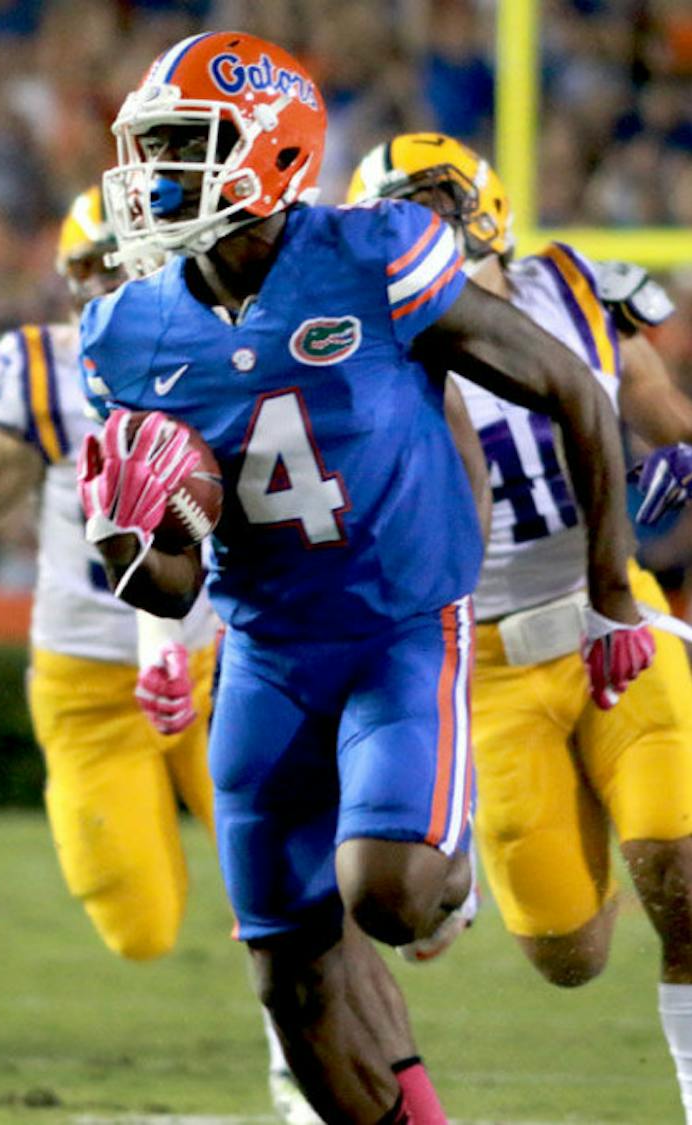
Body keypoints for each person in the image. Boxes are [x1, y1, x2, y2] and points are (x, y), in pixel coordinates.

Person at [77, 32, 651, 1124]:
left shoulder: (377, 253)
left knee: (386, 895)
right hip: (267, 654)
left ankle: (450, 849)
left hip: (401, 627)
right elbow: (171, 585)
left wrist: (614, 590)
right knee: (288, 974)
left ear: (274, 154)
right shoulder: (128, 328)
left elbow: (573, 387)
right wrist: (127, 546)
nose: (151, 179)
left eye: (182, 147)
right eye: (149, 149)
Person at [0, 186, 320, 1123]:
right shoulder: (51, 376)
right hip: (91, 686)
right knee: (140, 924)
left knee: (290, 874)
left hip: (223, 666)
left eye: (124, 260)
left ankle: (303, 1067)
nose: (109, 283)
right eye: (89, 269)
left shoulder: (237, 347)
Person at [349, 131, 692, 1120]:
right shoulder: (372, 347)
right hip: (489, 663)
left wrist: (676, 452)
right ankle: (459, 890)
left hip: (611, 619)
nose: (429, 226)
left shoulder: (578, 287)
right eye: (403, 211)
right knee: (570, 954)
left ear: (483, 203)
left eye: (438, 202)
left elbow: (657, 401)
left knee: (680, 862)